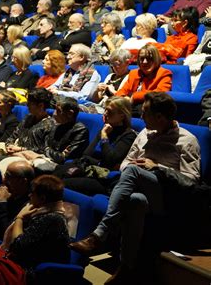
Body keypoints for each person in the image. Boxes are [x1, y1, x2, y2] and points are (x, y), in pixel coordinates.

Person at [70, 92, 201, 285]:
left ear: (160, 117)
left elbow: (191, 181)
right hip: (138, 190)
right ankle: (127, 268)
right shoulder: (144, 133)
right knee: (135, 201)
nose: (141, 117)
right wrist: (137, 167)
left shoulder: (187, 141)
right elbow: (125, 163)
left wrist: (157, 167)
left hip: (166, 197)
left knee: (133, 171)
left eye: (146, 113)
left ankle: (100, 234)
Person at [0, 174, 70, 283]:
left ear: (42, 198)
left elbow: (18, 245)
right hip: (16, 258)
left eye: (33, 193)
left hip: (29, 270)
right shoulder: (39, 211)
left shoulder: (53, 219)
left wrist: (20, 218)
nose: (29, 195)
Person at [60, 97, 138, 196]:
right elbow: (86, 154)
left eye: (109, 111)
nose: (105, 113)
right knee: (55, 174)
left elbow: (110, 160)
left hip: (101, 178)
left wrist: (104, 136)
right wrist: (99, 161)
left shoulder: (128, 136)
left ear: (122, 116)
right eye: (105, 109)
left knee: (61, 184)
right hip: (87, 168)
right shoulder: (105, 128)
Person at [116, 44, 172, 116]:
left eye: (149, 58)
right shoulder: (134, 73)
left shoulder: (164, 73)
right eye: (142, 58)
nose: (145, 62)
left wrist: (135, 96)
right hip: (131, 108)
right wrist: (123, 99)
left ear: (156, 59)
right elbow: (122, 91)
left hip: (151, 110)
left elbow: (160, 94)